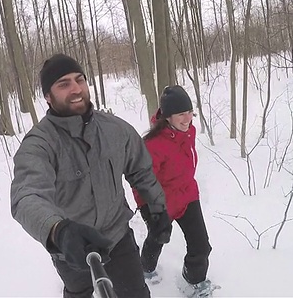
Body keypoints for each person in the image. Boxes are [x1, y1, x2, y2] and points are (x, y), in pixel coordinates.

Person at [10, 53, 173, 298]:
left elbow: (140, 170)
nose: (76, 89)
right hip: (71, 248)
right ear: (48, 96)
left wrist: (157, 209)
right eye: (63, 84)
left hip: (117, 238)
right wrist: (59, 231)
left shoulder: (115, 130)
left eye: (80, 80)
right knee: (79, 293)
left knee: (136, 293)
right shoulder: (40, 144)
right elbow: (26, 196)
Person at [132, 85, 214, 296]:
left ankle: (194, 281)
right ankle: (146, 268)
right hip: (160, 203)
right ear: (167, 117)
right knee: (157, 238)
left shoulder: (188, 132)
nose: (187, 119)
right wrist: (149, 210)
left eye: (190, 112)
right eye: (180, 114)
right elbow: (140, 181)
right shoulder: (151, 145)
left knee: (202, 246)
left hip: (187, 196)